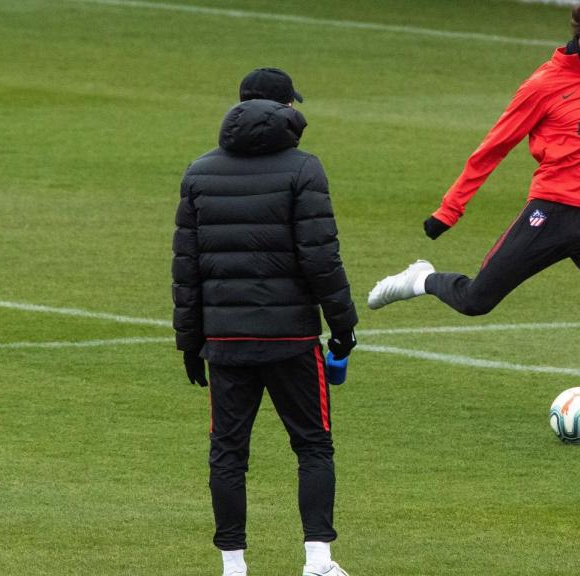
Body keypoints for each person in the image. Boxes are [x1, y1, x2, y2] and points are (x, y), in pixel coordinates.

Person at [367, 0, 580, 443]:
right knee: (476, 300)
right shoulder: (542, 85)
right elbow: (494, 146)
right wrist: (449, 210)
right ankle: (420, 279)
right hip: (551, 213)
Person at [173, 67, 357, 576]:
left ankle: (233, 567)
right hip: (292, 338)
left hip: (224, 341)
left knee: (228, 453)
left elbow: (187, 267)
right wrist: (343, 325)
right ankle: (317, 561)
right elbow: (321, 257)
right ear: (284, 108)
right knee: (313, 444)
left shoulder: (199, 171)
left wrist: (189, 342)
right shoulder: (304, 168)